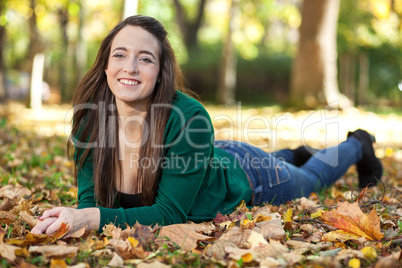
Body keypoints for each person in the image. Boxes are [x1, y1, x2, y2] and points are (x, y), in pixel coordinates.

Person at [31, 15, 383, 237]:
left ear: (160, 73)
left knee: (312, 180)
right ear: (105, 67)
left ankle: (358, 144)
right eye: (120, 55)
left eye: (145, 58)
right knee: (287, 161)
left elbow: (168, 214)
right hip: (208, 159)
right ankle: (293, 153)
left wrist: (89, 219)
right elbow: (91, 202)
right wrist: (73, 217)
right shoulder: (91, 121)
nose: (130, 67)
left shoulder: (189, 117)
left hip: (247, 176)